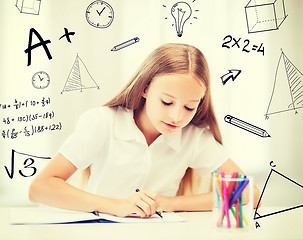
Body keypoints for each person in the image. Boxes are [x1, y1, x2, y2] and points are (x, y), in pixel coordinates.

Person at [29, 43, 260, 218]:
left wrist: (167, 203)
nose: (177, 117)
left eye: (190, 107)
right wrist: (117, 206)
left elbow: (251, 194)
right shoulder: (102, 122)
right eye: (167, 102)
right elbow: (40, 188)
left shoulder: (194, 137)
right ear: (145, 88)